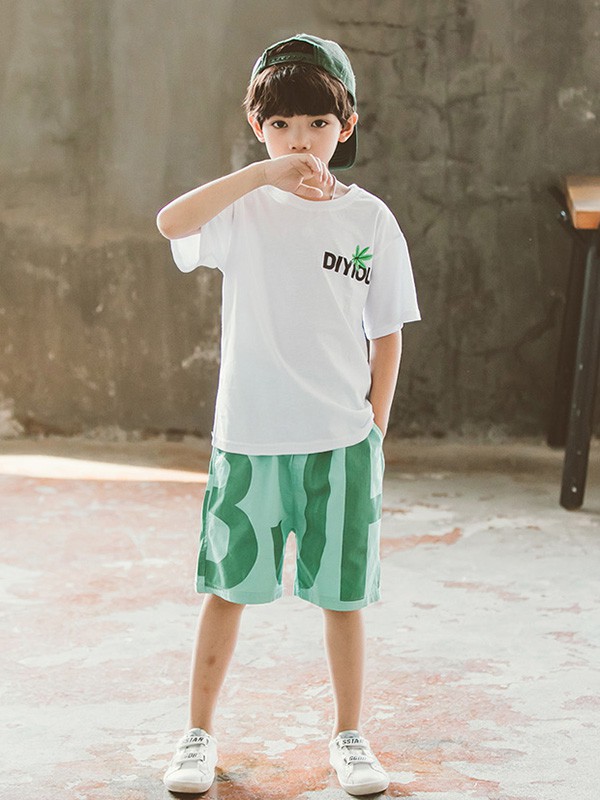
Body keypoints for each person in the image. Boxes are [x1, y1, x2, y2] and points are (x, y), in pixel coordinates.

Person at [155, 32, 421, 797]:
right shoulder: (243, 210)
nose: (299, 140)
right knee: (228, 590)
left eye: (316, 123)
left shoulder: (370, 221)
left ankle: (350, 737)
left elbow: (388, 331)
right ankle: (198, 734)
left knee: (342, 598)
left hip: (340, 442)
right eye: (279, 124)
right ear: (257, 127)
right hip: (249, 437)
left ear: (348, 125)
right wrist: (260, 174)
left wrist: (375, 428)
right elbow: (171, 223)